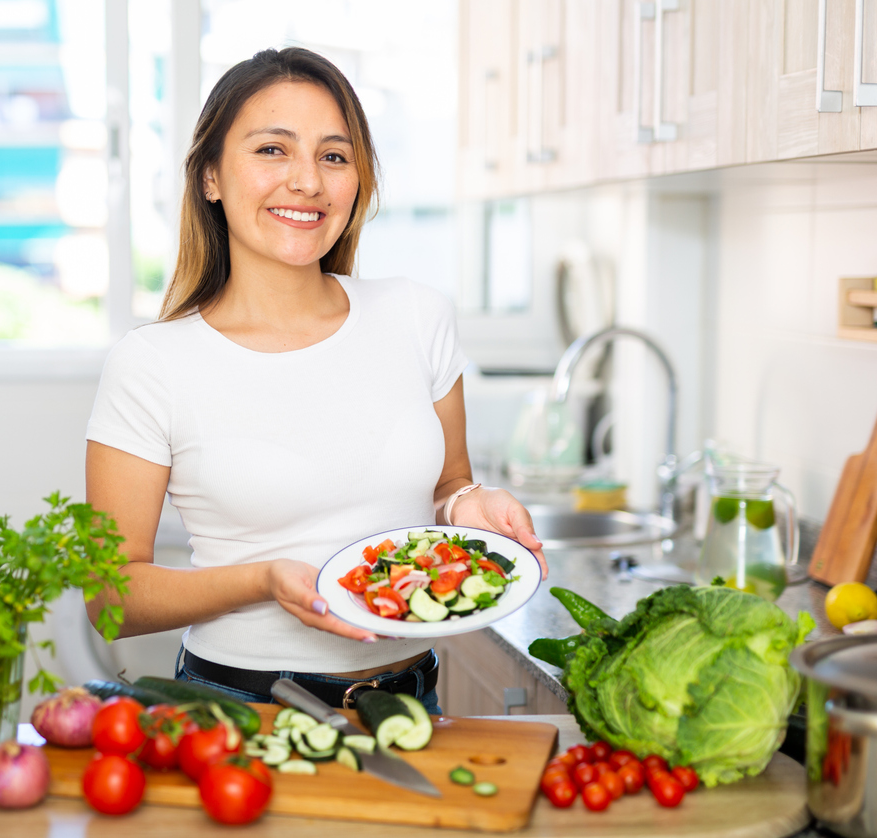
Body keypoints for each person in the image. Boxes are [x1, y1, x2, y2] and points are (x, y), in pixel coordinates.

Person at [85, 47, 545, 714]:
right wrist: (265, 581)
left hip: (413, 699)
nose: (307, 181)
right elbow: (109, 600)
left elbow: (448, 487)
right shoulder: (153, 364)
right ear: (210, 177)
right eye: (273, 150)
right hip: (241, 706)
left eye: (334, 155)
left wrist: (473, 506)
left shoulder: (416, 317)